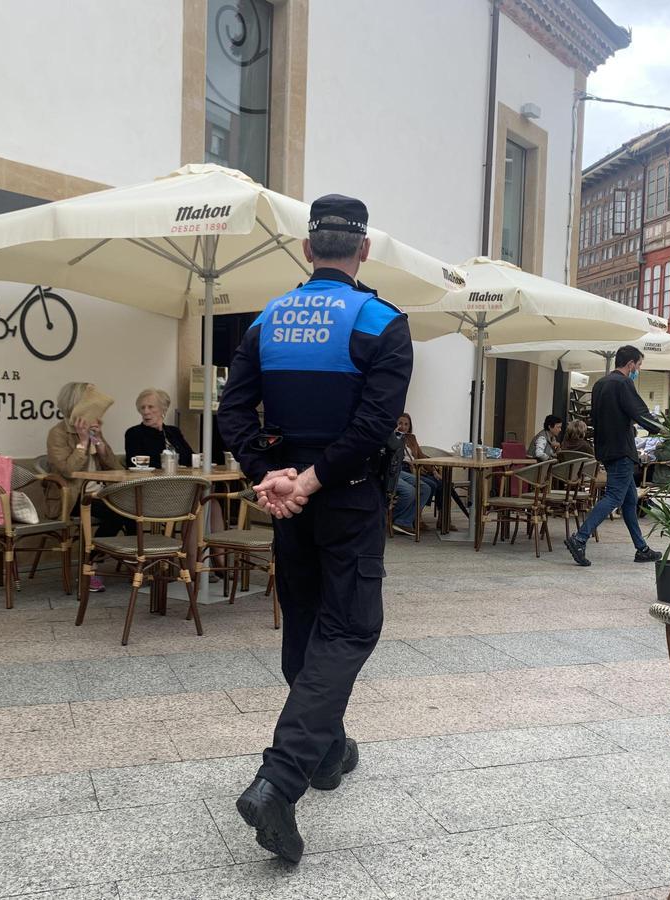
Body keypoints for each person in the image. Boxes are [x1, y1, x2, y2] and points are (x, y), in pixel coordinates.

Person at [217, 193, 410, 864]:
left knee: (305, 622)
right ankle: (281, 777)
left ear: (306, 250)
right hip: (345, 499)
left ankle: (329, 751)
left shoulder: (265, 321)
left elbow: (233, 409)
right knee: (351, 626)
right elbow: (373, 427)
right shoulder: (380, 322)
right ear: (362, 251)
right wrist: (315, 479)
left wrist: (268, 474)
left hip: (288, 505)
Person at [564, 345, 663, 566]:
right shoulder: (623, 383)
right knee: (615, 497)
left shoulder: (600, 384)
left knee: (629, 501)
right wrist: (664, 429)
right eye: (638, 365)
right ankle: (579, 538)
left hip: (606, 449)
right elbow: (639, 412)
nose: (638, 370)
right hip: (621, 449)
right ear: (630, 364)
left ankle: (642, 549)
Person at [46, 382, 132, 592]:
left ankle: (134, 562)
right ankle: (91, 565)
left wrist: (99, 441)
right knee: (118, 513)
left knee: (132, 509)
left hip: (100, 493)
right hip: (74, 497)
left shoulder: (93, 430)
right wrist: (83, 442)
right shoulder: (58, 433)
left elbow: (113, 467)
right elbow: (68, 470)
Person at [391, 413, 439, 537]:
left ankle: (407, 519)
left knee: (429, 486)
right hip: (397, 469)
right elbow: (391, 453)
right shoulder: (391, 436)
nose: (403, 426)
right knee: (412, 491)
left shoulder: (411, 438)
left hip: (412, 469)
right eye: (400, 423)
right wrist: (395, 436)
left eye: (406, 424)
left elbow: (421, 456)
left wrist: (433, 469)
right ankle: (401, 519)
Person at [125, 388, 193, 468]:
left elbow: (191, 457)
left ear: (163, 409)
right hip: (152, 479)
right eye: (143, 407)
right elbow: (134, 463)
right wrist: (170, 467)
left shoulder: (174, 431)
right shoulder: (134, 433)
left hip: (182, 478)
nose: (146, 412)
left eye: (150, 407)